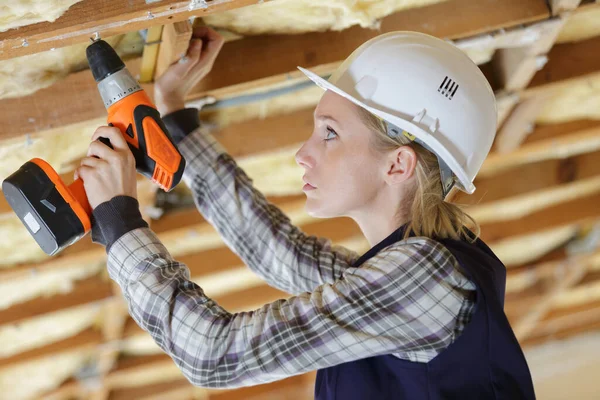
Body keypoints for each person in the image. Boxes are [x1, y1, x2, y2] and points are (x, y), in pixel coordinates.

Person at [76, 26, 536, 399]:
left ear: (398, 163)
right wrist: (173, 119)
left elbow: (214, 354)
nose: (302, 153)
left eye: (330, 133)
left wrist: (121, 222)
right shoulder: (407, 275)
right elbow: (277, 252)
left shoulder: (426, 277)